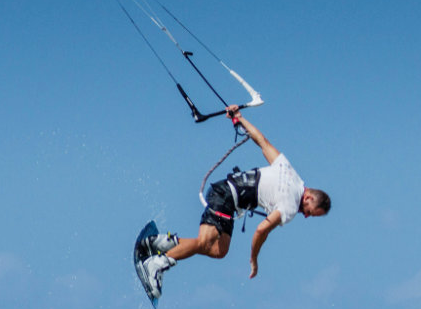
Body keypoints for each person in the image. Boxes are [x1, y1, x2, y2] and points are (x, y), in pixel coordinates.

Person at [139, 105, 330, 298]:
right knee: (205, 241)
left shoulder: (290, 172)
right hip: (227, 196)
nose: (305, 215)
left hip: (229, 198)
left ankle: (160, 243)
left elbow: (262, 141)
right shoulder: (290, 206)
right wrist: (254, 259)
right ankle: (155, 264)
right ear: (309, 197)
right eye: (310, 211)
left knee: (219, 250)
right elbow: (261, 230)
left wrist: (240, 118)